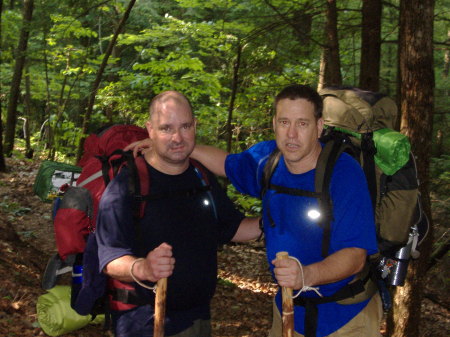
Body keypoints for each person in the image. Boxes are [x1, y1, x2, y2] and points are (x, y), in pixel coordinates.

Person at [189, 84, 383, 337]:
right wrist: (178, 145)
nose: (291, 134)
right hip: (288, 312)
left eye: (302, 124)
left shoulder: (343, 173)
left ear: (319, 126)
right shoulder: (268, 160)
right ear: (274, 124)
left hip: (345, 317)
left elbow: (355, 255)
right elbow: (226, 164)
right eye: (284, 122)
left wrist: (305, 274)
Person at [96, 90, 261, 337]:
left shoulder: (200, 176)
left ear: (195, 126)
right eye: (166, 129)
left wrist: (275, 218)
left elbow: (232, 227)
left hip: (198, 318)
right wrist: (143, 268)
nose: (177, 137)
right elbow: (110, 258)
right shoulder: (128, 185)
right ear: (150, 130)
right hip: (144, 322)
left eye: (185, 126)